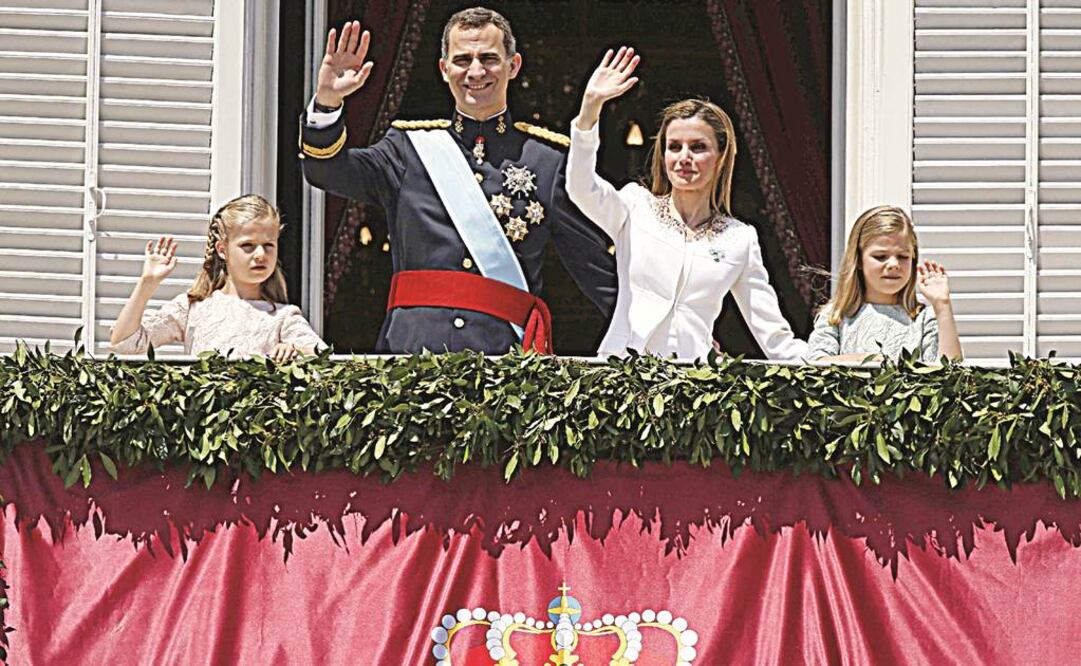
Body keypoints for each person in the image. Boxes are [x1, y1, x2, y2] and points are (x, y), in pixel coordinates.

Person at [299, 8, 617, 354]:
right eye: (463, 59)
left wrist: (655, 347)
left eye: (489, 59)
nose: (476, 71)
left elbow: (595, 271)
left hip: (505, 368)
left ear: (514, 66)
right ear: (444, 68)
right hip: (411, 360)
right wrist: (328, 102)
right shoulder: (407, 149)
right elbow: (326, 170)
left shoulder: (548, 162)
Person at [565, 47, 807, 360]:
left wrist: (832, 364)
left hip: (694, 389)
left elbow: (774, 338)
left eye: (698, 147)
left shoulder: (740, 239)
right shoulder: (635, 207)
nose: (684, 158)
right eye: (674, 147)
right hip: (621, 376)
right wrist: (589, 109)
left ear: (720, 157)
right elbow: (580, 187)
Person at [109, 194, 325, 361]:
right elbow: (125, 344)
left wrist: (295, 351)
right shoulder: (193, 308)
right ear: (223, 250)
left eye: (268, 245)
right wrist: (147, 284)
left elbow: (325, 360)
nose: (260, 255)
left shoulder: (283, 317)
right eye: (248, 246)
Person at [806, 205, 962, 363]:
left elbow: (950, 375)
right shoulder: (836, 316)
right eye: (880, 256)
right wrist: (864, 361)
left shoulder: (923, 319)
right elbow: (815, 366)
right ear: (858, 260)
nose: (894, 264)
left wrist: (942, 305)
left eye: (902, 256)